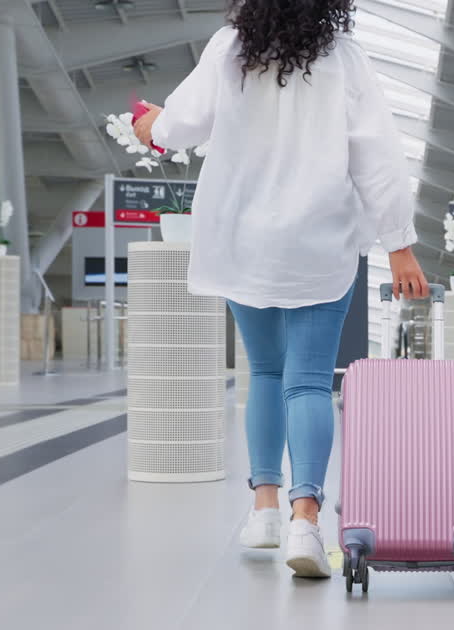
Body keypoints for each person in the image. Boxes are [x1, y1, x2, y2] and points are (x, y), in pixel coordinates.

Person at [133, 0, 428, 579]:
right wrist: (399, 243)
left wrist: (151, 126)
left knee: (265, 373)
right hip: (318, 241)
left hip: (245, 238)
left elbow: (180, 124)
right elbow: (378, 155)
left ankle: (263, 508)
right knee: (309, 381)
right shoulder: (344, 58)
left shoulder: (230, 49)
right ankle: (305, 520)